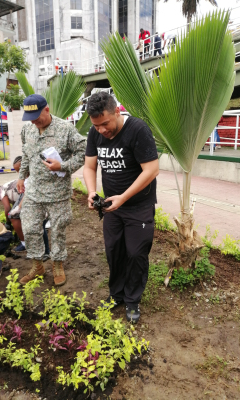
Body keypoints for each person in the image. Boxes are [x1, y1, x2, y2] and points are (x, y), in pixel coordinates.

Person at [83, 92, 159, 324]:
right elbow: (89, 166)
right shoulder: (95, 133)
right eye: (96, 126)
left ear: (117, 111)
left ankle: (132, 299)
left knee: (136, 254)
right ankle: (116, 295)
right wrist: (91, 191)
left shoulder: (137, 130)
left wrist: (124, 197)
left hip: (139, 206)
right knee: (114, 251)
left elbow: (151, 169)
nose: (102, 130)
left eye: (105, 123)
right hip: (112, 207)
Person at [17, 94, 86, 285]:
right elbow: (26, 154)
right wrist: (22, 176)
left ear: (47, 109)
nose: (35, 122)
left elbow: (83, 152)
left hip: (58, 192)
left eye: (37, 117)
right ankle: (37, 265)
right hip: (34, 190)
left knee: (57, 230)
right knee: (29, 228)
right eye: (31, 119)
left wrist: (62, 166)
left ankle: (57, 264)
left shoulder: (65, 129)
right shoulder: (28, 130)